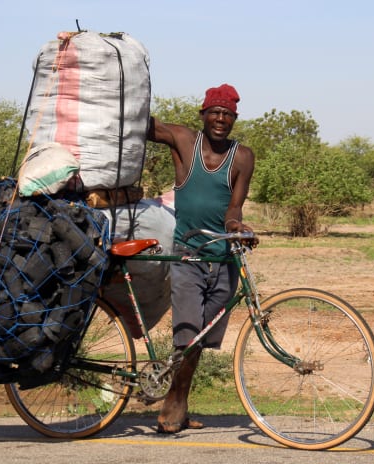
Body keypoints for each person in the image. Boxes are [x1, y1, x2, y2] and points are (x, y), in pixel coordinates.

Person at [147, 83, 256, 433]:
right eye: (216, 112)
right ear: (204, 115)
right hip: (188, 256)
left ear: (234, 119)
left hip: (224, 260)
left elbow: (233, 207)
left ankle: (178, 401)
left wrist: (238, 227)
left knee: (201, 343)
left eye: (227, 114)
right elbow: (147, 127)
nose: (221, 119)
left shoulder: (242, 157)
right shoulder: (184, 141)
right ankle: (173, 406)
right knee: (188, 336)